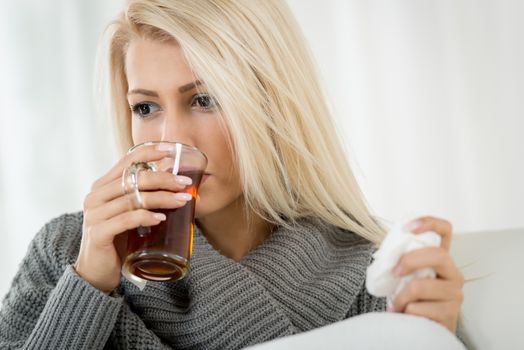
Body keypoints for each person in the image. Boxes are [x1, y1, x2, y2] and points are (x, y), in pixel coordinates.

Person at [0, 0, 467, 349]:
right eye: (146, 107)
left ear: (271, 104)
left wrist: (425, 337)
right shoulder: (67, 253)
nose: (172, 139)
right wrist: (86, 287)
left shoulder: (371, 277)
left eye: (203, 99)